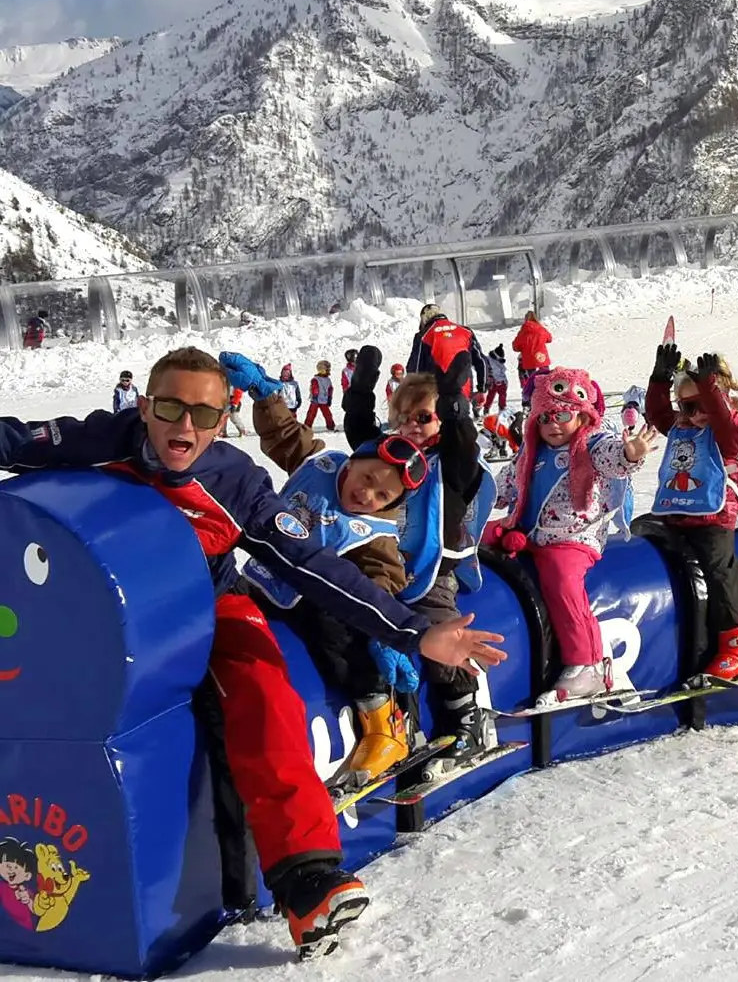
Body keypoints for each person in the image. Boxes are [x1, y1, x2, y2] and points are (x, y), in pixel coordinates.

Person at [0, 346, 506, 959]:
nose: (185, 428)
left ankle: (307, 878)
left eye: (205, 415)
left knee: (265, 690)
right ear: (143, 405)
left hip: (205, 601)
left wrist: (410, 630)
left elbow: (309, 562)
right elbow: (16, 441)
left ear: (223, 418)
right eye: (170, 408)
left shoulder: (233, 479)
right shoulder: (101, 438)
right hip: (95, 610)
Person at [225, 350, 426, 789]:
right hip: (268, 577)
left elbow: (382, 579)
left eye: (382, 496)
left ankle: (382, 723)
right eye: (368, 479)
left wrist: (381, 633)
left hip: (318, 600)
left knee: (339, 637)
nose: (368, 495)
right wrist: (267, 394)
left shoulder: (374, 532)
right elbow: (284, 434)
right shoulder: (318, 465)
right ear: (353, 463)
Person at [342, 345, 499, 765]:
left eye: (423, 418)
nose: (411, 426)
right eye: (403, 417)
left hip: (434, 572)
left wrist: (454, 408)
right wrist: (361, 388)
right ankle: (399, 726)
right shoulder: (390, 455)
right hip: (386, 569)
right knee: (373, 633)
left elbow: (464, 447)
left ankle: (465, 713)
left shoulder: (452, 462)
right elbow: (359, 430)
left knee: (439, 630)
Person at [490, 367, 657, 702]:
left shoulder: (591, 446)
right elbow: (504, 488)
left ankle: (588, 664)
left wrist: (630, 453)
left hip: (573, 538)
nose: (553, 426)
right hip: (530, 533)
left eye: (563, 415)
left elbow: (613, 458)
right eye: (545, 417)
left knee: (561, 579)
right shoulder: (531, 454)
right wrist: (472, 491)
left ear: (582, 415)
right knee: (484, 539)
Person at [645, 347, 738, 680]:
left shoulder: (729, 430)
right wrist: (659, 378)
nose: (695, 414)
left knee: (719, 567)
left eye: (702, 405)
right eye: (686, 406)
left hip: (715, 517)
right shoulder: (684, 427)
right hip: (678, 513)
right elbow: (657, 414)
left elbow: (726, 423)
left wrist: (711, 391)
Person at [406, 305, 486, 400]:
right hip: (463, 391)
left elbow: (415, 368)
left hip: (436, 395)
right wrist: (482, 389)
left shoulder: (424, 335)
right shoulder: (466, 331)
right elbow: (481, 361)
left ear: (424, 319)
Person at [512, 310, 552, 394]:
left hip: (529, 361)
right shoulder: (541, 329)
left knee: (533, 382)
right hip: (542, 358)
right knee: (546, 379)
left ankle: (534, 398)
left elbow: (515, 347)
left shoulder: (523, 331)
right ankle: (547, 396)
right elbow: (549, 339)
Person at [306, 360, 336, 432]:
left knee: (328, 414)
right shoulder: (315, 379)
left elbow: (330, 389)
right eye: (327, 369)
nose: (328, 370)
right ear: (322, 370)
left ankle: (331, 426)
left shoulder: (328, 380)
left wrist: (329, 397)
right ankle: (306, 427)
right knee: (311, 414)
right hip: (315, 400)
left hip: (324, 400)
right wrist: (315, 396)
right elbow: (314, 388)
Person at [483, 344, 509, 413]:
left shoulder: (497, 361)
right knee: (492, 395)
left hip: (499, 382)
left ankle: (500, 408)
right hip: (494, 382)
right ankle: (487, 408)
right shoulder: (489, 360)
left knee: (500, 395)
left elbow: (501, 372)